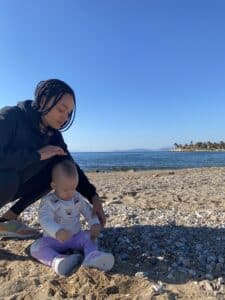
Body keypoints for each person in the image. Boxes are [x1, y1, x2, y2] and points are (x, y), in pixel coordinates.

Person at [0, 79, 106, 238]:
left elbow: (69, 166)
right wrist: (37, 155)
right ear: (43, 101)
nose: (65, 117)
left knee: (57, 171)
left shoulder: (53, 135)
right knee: (9, 178)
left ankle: (7, 220)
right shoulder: (11, 117)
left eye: (69, 113)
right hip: (5, 180)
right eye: (61, 109)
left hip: (12, 185)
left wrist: (93, 197)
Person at [30, 160, 114, 275]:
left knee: (89, 237)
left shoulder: (77, 198)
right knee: (35, 247)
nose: (70, 193)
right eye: (65, 190)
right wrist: (57, 231)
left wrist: (94, 223)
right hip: (53, 239)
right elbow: (45, 219)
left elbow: (89, 211)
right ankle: (57, 260)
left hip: (75, 237)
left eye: (73, 188)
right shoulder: (48, 201)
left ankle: (92, 256)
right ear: (54, 186)